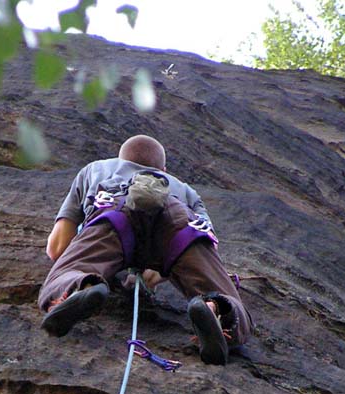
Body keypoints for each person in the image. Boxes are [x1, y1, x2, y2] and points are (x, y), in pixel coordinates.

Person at [38, 134, 252, 365]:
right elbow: (208, 244)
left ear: (121, 158)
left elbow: (57, 248)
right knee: (224, 294)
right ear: (164, 169)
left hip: (116, 210)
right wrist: (159, 272)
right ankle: (215, 309)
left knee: (67, 272)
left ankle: (85, 286)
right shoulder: (186, 190)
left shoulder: (96, 169)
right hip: (180, 223)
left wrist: (91, 257)